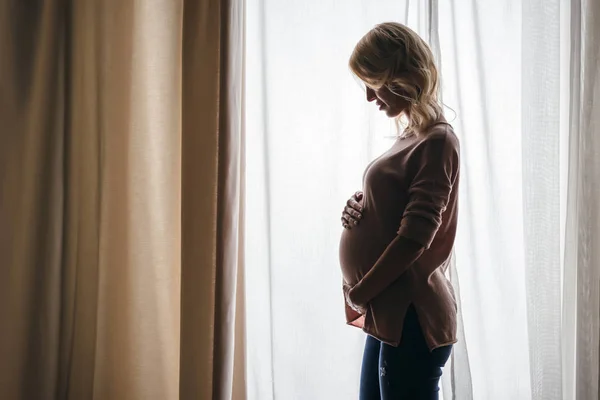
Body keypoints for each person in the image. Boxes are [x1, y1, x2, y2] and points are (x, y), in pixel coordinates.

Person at [339, 22, 460, 399]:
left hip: (413, 314)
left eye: (373, 82)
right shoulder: (412, 136)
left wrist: (361, 293)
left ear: (400, 77)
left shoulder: (438, 140)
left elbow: (414, 239)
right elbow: (398, 212)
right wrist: (360, 209)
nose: (370, 97)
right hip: (391, 311)